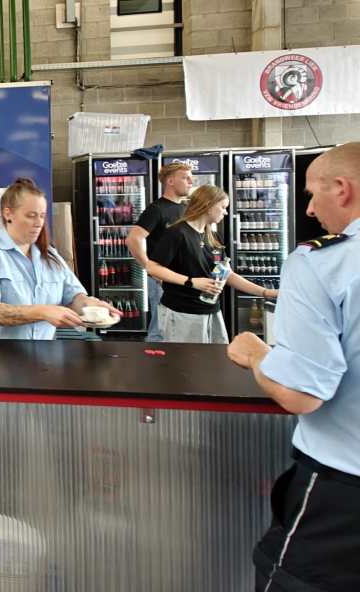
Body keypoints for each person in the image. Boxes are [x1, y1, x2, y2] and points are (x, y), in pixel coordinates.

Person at [228, 142, 360, 592]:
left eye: (311, 193)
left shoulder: (322, 262)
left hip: (341, 494)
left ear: (341, 188)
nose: (308, 209)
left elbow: (301, 393)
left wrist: (254, 353)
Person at [0, 178, 119, 340]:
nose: (38, 223)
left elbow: (74, 298)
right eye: (31, 216)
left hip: (42, 350)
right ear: (8, 214)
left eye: (42, 216)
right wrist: (42, 312)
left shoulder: (50, 255)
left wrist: (92, 306)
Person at [146, 184, 276, 344]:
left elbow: (227, 273)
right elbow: (153, 268)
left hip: (212, 311)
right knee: (187, 359)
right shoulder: (177, 233)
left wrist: (265, 292)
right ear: (208, 206)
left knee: (216, 356)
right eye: (223, 207)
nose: (226, 212)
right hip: (182, 312)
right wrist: (191, 282)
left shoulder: (213, 236)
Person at [126, 162, 194, 341]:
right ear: (170, 181)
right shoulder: (157, 209)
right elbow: (133, 239)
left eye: (191, 178)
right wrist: (152, 269)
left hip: (181, 279)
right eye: (185, 178)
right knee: (160, 329)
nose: (191, 182)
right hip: (162, 280)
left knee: (175, 328)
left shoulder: (185, 209)